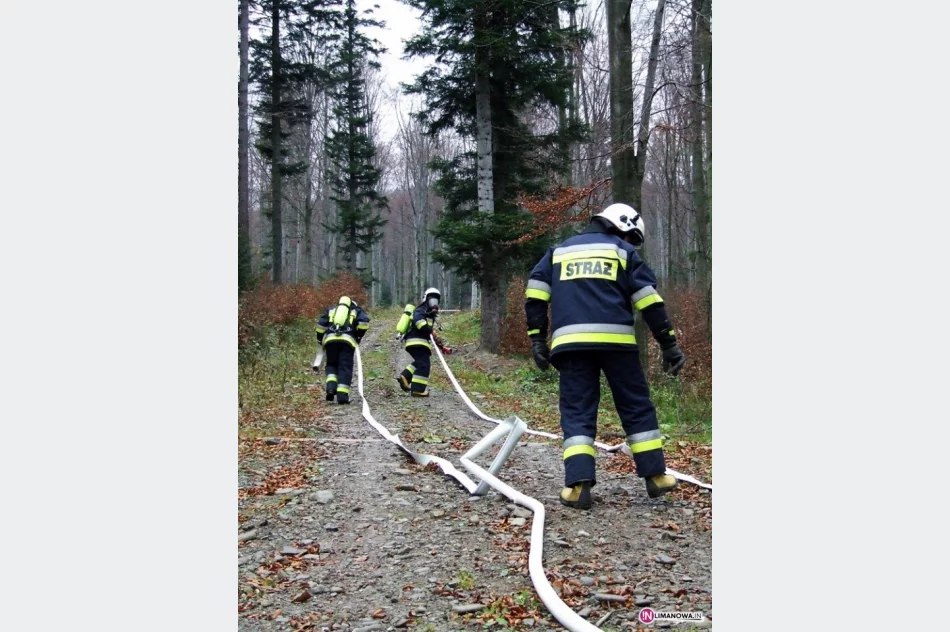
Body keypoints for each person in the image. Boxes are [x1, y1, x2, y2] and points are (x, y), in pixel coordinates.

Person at [524, 203, 686, 510]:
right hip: (618, 346)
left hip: (571, 346)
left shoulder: (558, 252)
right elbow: (649, 301)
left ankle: (578, 486)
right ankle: (655, 476)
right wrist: (668, 343)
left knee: (577, 411)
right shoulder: (623, 254)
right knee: (636, 406)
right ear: (622, 226)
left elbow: (535, 296)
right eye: (630, 237)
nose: (629, 244)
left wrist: (537, 340)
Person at [396, 287, 452, 397]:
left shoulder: (429, 314)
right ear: (426, 299)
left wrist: (442, 346)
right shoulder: (421, 310)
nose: (434, 303)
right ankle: (418, 389)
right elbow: (419, 322)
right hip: (416, 341)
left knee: (420, 362)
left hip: (420, 342)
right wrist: (431, 330)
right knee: (424, 364)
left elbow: (431, 335)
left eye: (436, 300)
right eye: (432, 300)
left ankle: (405, 377)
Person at [314, 296, 370, 405]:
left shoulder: (332, 310)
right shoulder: (356, 311)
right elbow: (364, 324)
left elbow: (320, 326)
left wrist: (320, 340)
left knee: (331, 364)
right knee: (345, 367)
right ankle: (342, 396)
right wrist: (358, 336)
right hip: (347, 342)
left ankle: (330, 388)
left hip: (330, 341)